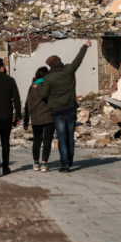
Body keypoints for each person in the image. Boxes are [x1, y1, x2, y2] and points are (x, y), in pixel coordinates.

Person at [37, 40, 92, 173]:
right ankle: (70, 160)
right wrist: (85, 46)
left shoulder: (49, 78)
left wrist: (39, 86)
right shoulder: (69, 69)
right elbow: (78, 60)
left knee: (61, 137)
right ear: (60, 61)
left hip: (57, 111)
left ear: (50, 66)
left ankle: (65, 164)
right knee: (70, 136)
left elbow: (43, 94)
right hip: (71, 108)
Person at [23, 67, 54, 173]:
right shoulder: (49, 86)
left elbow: (27, 105)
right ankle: (44, 163)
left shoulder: (32, 88)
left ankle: (36, 162)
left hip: (36, 118)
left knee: (37, 140)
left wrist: (26, 120)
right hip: (49, 117)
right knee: (47, 140)